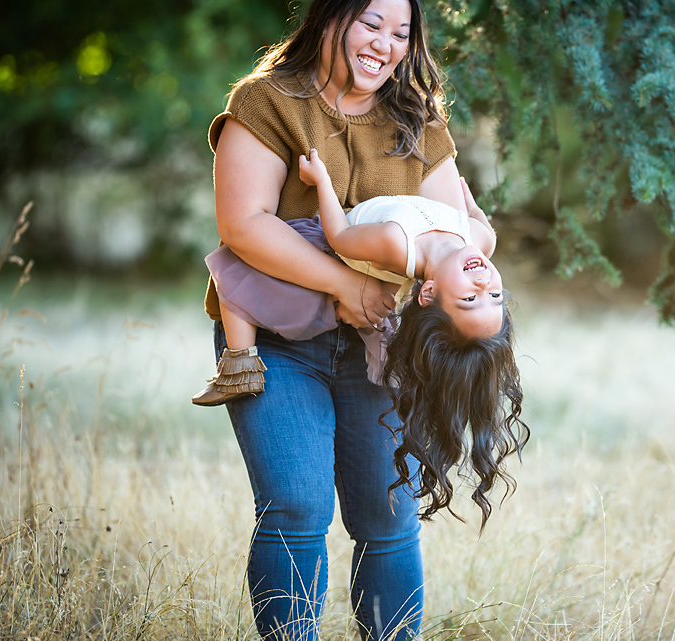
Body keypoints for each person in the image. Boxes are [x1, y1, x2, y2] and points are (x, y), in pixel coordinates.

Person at [197, 0, 522, 639]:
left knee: (388, 517)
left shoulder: (416, 121)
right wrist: (344, 282)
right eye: (371, 22)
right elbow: (242, 223)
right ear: (330, 18)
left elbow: (451, 234)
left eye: (401, 32)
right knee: (296, 506)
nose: (385, 44)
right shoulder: (268, 104)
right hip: (281, 339)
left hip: (386, 347)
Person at [195, 148, 527, 531]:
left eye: (470, 300)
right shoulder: (480, 242)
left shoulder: (395, 243)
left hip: (331, 254)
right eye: (494, 297)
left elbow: (338, 236)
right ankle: (241, 358)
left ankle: (240, 357)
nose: (485, 284)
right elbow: (482, 225)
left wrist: (322, 181)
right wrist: (468, 201)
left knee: (247, 281)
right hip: (352, 274)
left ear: (429, 293)